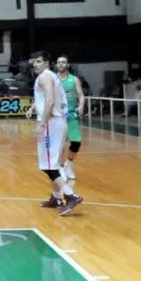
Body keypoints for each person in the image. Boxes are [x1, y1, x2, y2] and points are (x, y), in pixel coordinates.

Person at [26, 51, 82, 215]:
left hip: (52, 123)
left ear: (47, 62)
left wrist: (42, 124)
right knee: (53, 164)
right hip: (58, 122)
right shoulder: (51, 76)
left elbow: (49, 100)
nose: (35, 64)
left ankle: (71, 196)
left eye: (38, 61)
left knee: (47, 165)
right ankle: (56, 197)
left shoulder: (44, 76)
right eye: (34, 62)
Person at [48, 55, 85, 204]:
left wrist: (81, 105)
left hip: (70, 115)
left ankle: (69, 164)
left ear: (67, 64)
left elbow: (81, 96)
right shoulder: (53, 79)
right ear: (56, 65)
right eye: (59, 62)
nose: (61, 64)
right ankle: (60, 168)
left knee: (76, 141)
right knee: (58, 145)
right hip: (57, 116)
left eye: (63, 62)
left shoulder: (73, 80)